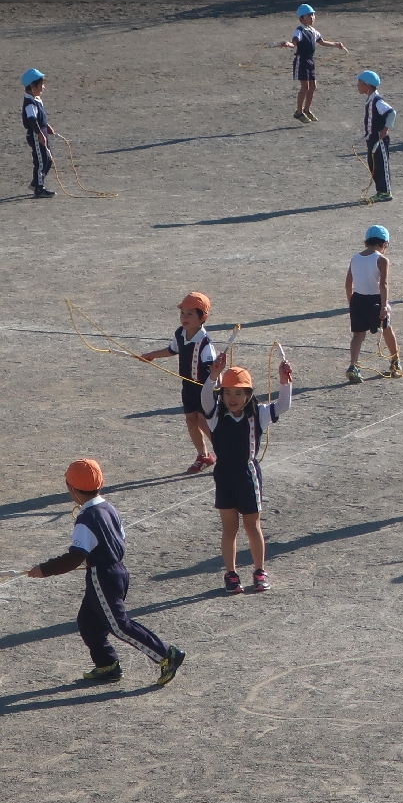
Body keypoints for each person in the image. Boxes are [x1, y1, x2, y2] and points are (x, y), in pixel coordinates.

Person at [23, 459, 186, 686]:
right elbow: (119, 539)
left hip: (102, 577)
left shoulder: (85, 519)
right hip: (118, 570)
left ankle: (166, 654)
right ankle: (107, 664)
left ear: (71, 488)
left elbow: (74, 557)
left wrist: (45, 569)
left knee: (118, 625)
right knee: (88, 623)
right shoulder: (108, 508)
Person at [202, 354, 293, 594]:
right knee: (229, 528)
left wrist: (285, 381)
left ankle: (259, 570)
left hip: (248, 475)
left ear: (249, 394)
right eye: (228, 392)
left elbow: (283, 405)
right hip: (224, 476)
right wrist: (213, 375)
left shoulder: (259, 414)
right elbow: (204, 397)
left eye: (238, 393)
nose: (232, 398)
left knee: (252, 526)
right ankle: (230, 574)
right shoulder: (214, 415)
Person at [137, 292, 219, 473]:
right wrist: (151, 356)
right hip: (187, 387)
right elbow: (172, 350)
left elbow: (213, 371)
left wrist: (214, 387)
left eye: (190, 314)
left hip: (204, 389)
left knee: (204, 422)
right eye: (183, 313)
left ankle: (225, 453)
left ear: (202, 317)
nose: (184, 317)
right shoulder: (180, 333)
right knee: (191, 420)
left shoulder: (206, 344)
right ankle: (204, 456)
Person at [345, 224, 403, 382]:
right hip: (375, 300)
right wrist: (384, 306)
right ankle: (395, 362)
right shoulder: (382, 260)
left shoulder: (355, 258)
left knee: (358, 335)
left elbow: (348, 283)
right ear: (385, 244)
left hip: (357, 298)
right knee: (387, 329)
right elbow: (383, 284)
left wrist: (351, 302)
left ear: (365, 242)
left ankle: (353, 366)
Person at [285, 4, 344, 123]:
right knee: (305, 87)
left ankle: (306, 110)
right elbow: (294, 43)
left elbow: (322, 42)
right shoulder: (300, 30)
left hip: (310, 61)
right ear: (301, 18)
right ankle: (299, 112)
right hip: (301, 60)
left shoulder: (313, 31)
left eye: (313, 15)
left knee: (313, 87)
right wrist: (288, 44)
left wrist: (336, 44)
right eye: (309, 15)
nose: (312, 17)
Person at [356, 69, 395, 201]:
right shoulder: (370, 100)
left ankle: (385, 192)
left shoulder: (377, 101)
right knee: (373, 165)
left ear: (367, 85)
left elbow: (391, 113)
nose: (357, 85)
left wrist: (385, 130)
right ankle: (380, 191)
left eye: (359, 83)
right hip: (372, 139)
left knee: (381, 164)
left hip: (379, 139)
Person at [22, 67, 53, 197]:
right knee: (41, 161)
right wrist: (40, 134)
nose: (43, 87)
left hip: (42, 133)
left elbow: (40, 118)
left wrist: (47, 126)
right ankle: (39, 188)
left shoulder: (36, 99)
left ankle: (36, 182)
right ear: (33, 86)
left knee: (48, 159)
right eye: (41, 85)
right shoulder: (30, 103)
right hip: (36, 135)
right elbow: (32, 120)